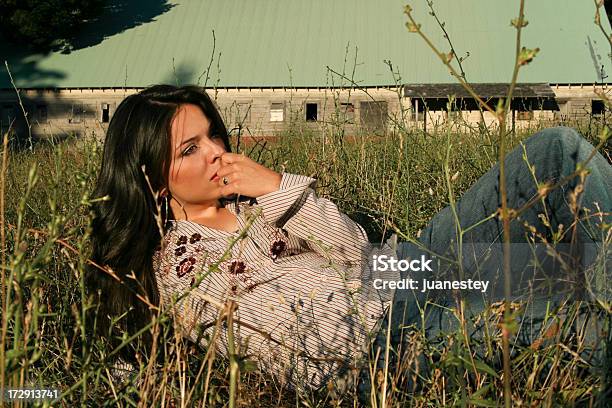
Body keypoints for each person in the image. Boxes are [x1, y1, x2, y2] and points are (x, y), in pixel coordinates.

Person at [87, 84, 611, 399]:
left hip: (402, 269)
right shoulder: (182, 268)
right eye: (189, 150)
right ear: (152, 180)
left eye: (213, 136)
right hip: (389, 340)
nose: (216, 154)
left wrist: (274, 189)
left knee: (558, 151)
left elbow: (356, 251)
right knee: (572, 319)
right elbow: (305, 345)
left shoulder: (251, 202)